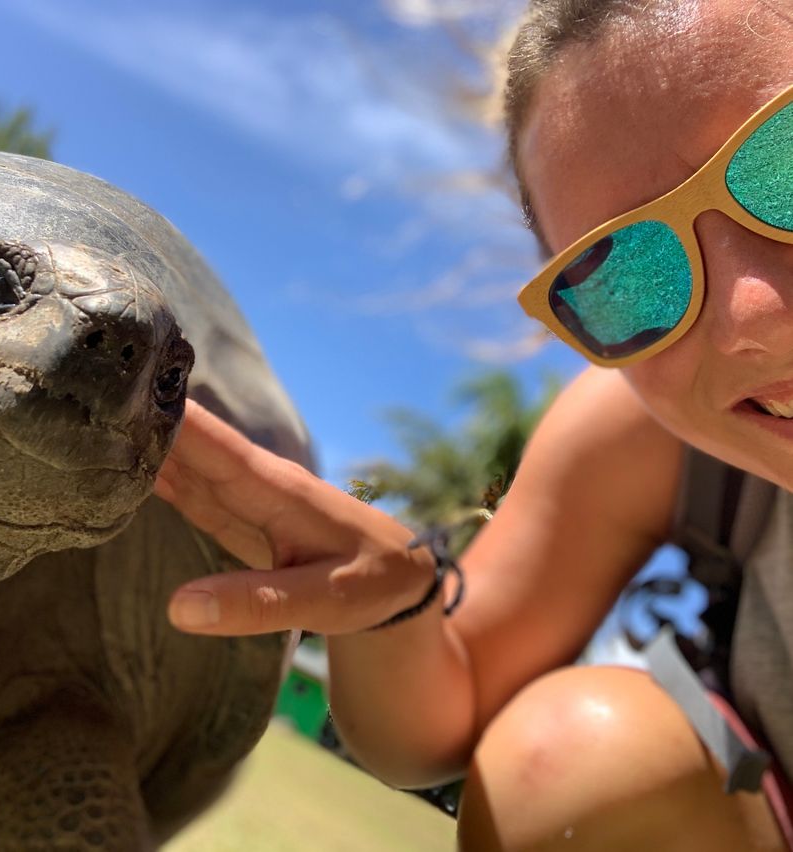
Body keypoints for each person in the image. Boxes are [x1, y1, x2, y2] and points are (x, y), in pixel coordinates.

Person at [154, 1, 793, 848]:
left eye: (785, 163)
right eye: (630, 282)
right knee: (573, 763)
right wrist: (394, 608)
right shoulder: (649, 434)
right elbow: (441, 721)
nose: (752, 312)